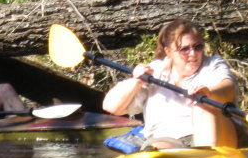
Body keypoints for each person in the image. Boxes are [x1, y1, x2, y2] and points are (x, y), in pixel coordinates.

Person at [102, 19, 239, 149]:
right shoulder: (155, 71)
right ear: (168, 52)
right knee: (159, 147)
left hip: (214, 137)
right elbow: (112, 107)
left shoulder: (213, 65)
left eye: (198, 47)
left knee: (202, 106)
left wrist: (209, 93)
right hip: (168, 141)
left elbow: (228, 88)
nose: (193, 53)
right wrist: (136, 81)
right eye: (184, 49)